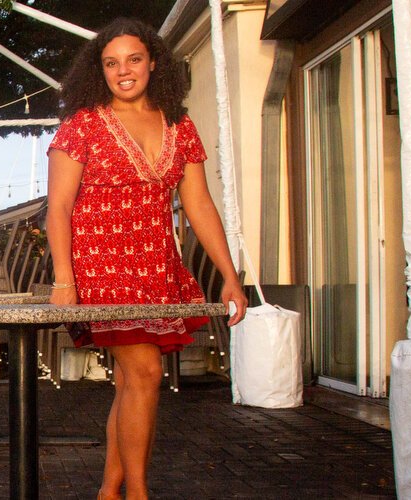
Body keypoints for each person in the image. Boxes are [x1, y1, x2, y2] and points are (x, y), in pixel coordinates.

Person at [45, 18, 248, 500]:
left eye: (133, 59)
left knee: (132, 385)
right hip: (100, 268)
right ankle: (138, 492)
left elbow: (198, 205)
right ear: (100, 71)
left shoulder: (180, 124)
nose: (124, 71)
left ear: (154, 63)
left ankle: (110, 491)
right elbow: (58, 207)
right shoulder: (83, 125)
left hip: (156, 269)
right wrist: (63, 279)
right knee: (145, 374)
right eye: (111, 63)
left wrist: (230, 277)